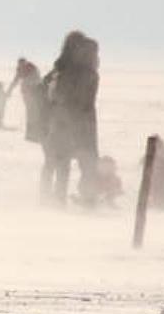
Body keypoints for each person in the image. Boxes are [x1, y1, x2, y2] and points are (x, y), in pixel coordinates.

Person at [40, 31, 99, 206]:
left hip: (65, 123)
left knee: (62, 163)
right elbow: (81, 101)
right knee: (73, 162)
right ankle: (76, 201)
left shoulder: (63, 70)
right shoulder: (80, 73)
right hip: (72, 125)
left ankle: (61, 200)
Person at [6, 57, 48, 144]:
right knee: (32, 113)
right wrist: (9, 91)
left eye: (22, 65)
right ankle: (32, 135)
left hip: (35, 93)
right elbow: (15, 81)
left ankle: (34, 134)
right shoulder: (22, 70)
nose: (21, 67)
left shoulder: (32, 69)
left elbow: (37, 80)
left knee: (35, 113)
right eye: (20, 65)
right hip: (29, 94)